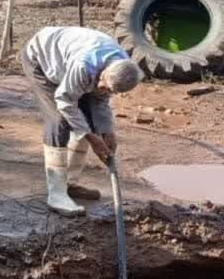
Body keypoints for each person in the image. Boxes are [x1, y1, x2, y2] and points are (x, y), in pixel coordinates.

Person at [20, 26, 142, 215]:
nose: (103, 90)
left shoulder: (123, 67)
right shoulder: (85, 66)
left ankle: (69, 183)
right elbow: (65, 100)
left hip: (73, 60)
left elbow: (100, 100)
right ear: (103, 72)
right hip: (42, 57)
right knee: (60, 121)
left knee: (85, 118)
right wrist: (91, 137)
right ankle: (57, 195)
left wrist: (106, 130)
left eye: (109, 90)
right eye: (103, 85)